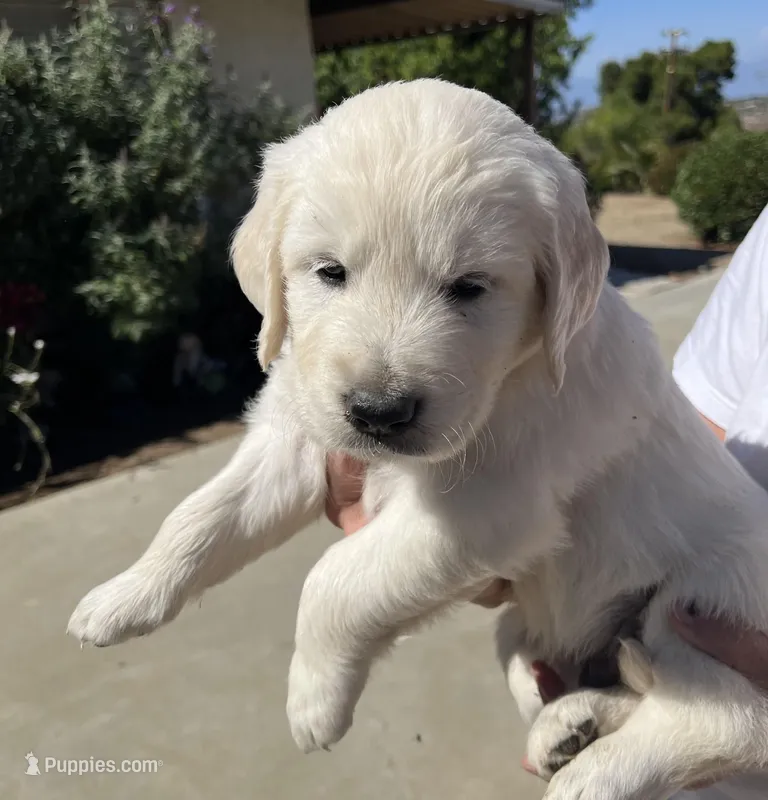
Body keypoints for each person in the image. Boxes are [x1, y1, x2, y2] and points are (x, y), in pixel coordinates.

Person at [323, 203, 768, 798]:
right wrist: (500, 533)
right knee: (520, 636)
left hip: (714, 673)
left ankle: (706, 719)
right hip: (653, 664)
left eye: (468, 288)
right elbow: (696, 440)